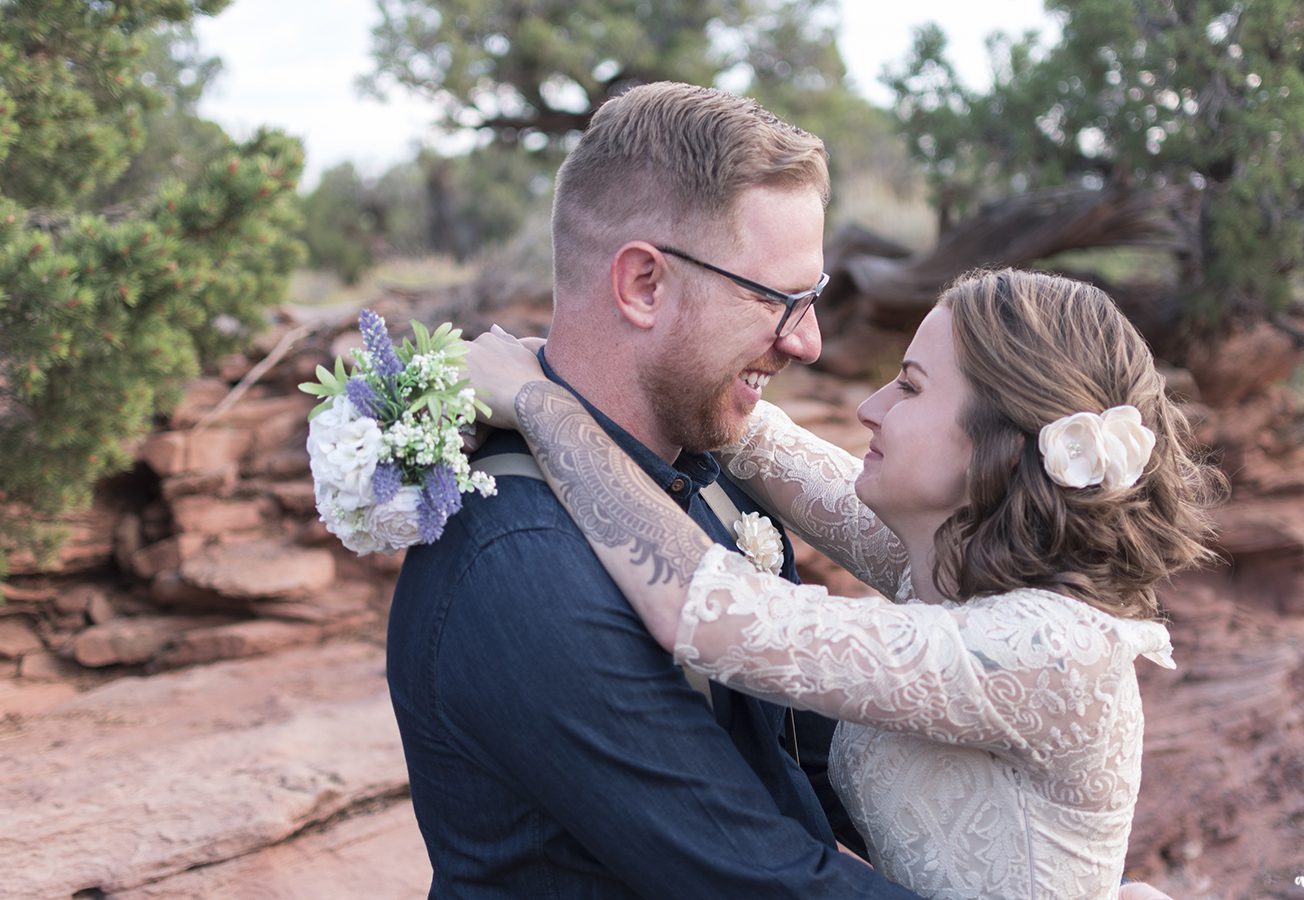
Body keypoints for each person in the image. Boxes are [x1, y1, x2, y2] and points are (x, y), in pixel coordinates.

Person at [468, 267, 1224, 898]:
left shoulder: (1051, 649)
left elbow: (715, 611)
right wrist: (582, 362)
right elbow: (765, 447)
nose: (868, 408)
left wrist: (542, 408)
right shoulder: (955, 563)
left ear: (1000, 440)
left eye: (910, 387)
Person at [385, 81, 919, 897]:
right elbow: (762, 880)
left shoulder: (709, 467)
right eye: (780, 299)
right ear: (643, 285)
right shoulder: (522, 564)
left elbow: (830, 764)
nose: (806, 341)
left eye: (810, 300)